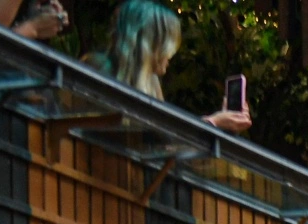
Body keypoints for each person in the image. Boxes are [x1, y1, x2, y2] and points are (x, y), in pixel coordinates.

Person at [89, 0, 250, 131]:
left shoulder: (151, 83)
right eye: (169, 48)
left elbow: (162, 140)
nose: (169, 57)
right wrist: (212, 122)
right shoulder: (98, 67)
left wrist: (219, 122)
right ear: (152, 45)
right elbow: (145, 137)